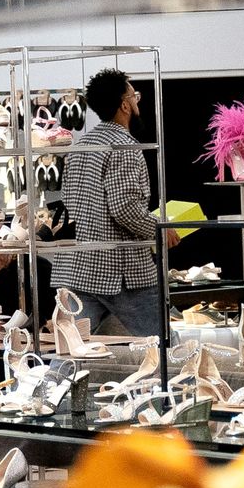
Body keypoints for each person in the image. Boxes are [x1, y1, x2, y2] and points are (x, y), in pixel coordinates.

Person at [51, 68, 174, 337]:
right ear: (124, 104)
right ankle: (184, 381)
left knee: (72, 348)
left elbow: (71, 202)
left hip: (78, 266)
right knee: (165, 345)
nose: (136, 101)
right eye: (134, 96)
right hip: (121, 270)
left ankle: (50, 381)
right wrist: (160, 229)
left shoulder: (81, 146)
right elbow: (124, 208)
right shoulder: (124, 147)